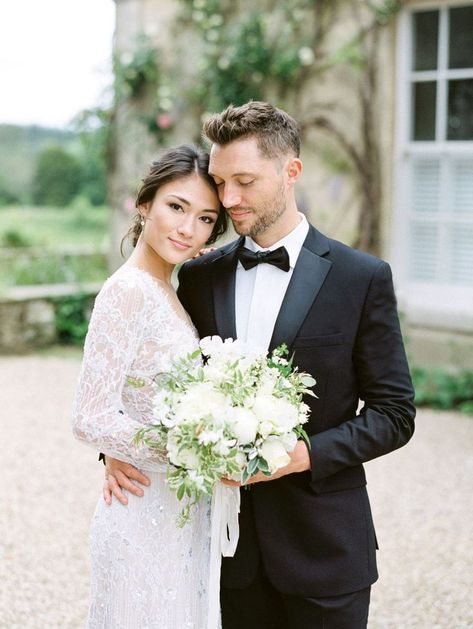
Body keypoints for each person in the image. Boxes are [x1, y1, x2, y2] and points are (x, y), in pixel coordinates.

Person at [104, 101, 416, 629]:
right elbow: (157, 380)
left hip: (325, 549)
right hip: (223, 552)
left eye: (243, 181)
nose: (228, 199)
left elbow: (394, 413)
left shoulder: (360, 277)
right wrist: (120, 450)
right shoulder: (200, 277)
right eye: (221, 182)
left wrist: (302, 455)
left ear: (290, 171)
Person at [71, 144, 227, 628]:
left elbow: (135, 398)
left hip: (181, 510)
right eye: (176, 207)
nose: (187, 228)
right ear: (145, 205)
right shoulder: (127, 291)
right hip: (140, 512)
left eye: (204, 218)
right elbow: (90, 416)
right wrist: (199, 452)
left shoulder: (171, 292)